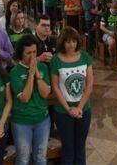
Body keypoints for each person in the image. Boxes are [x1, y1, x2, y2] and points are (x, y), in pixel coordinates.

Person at [50, 27, 93, 165]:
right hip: (63, 111)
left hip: (83, 110)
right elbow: (56, 87)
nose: (71, 45)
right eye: (68, 41)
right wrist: (69, 109)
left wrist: (79, 107)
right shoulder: (56, 60)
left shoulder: (85, 57)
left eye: (74, 41)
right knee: (68, 149)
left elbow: (90, 83)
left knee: (80, 148)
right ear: (62, 42)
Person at [10, 35, 51, 165]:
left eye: (34, 52)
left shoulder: (43, 68)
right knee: (23, 159)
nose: (32, 56)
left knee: (41, 158)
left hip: (42, 120)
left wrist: (38, 74)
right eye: (28, 53)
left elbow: (45, 94)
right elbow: (25, 97)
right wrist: (31, 75)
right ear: (21, 53)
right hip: (22, 121)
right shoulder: (15, 72)